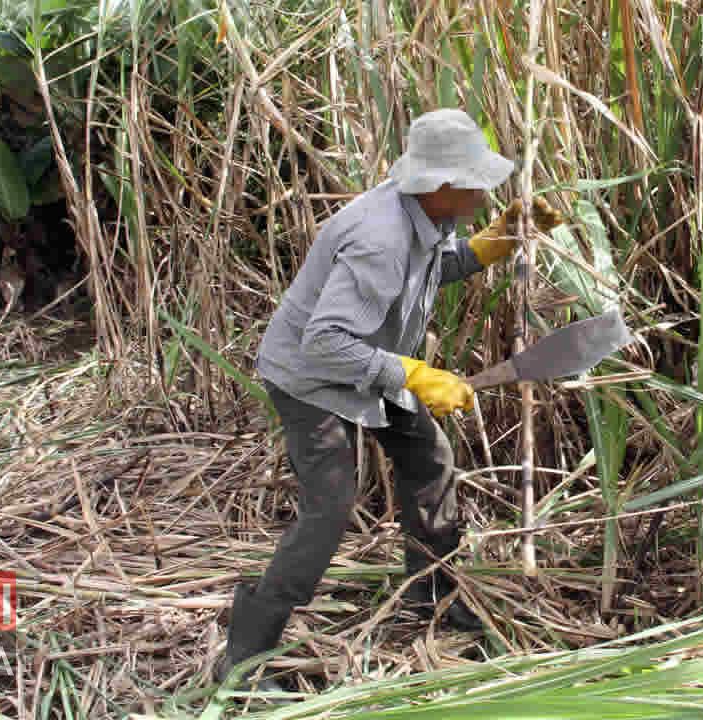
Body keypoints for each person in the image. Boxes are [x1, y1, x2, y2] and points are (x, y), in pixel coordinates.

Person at [215, 108, 561, 690]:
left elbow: (426, 270)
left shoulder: (421, 212)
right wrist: (414, 374)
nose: (485, 190)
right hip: (312, 377)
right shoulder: (379, 237)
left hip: (370, 365)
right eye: (476, 181)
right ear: (443, 185)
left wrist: (494, 243)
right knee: (330, 505)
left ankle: (429, 596)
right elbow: (323, 344)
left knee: (430, 462)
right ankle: (245, 657)